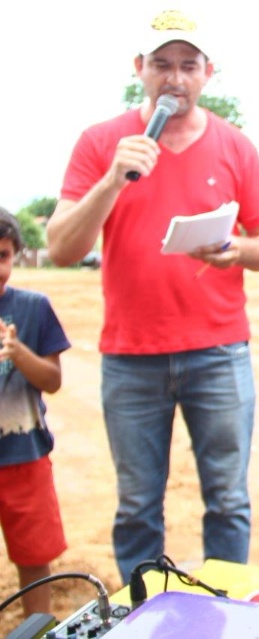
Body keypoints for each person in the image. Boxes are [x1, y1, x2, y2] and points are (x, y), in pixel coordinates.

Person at [46, 9, 259, 584]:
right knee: (136, 509)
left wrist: (235, 252)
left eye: (188, 66)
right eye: (161, 65)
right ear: (139, 70)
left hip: (218, 352)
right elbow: (60, 247)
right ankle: (143, 611)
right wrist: (112, 179)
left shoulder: (236, 146)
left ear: (208, 73)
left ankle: (224, 605)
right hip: (130, 357)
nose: (175, 78)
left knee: (228, 500)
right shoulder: (102, 142)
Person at [0, 208, 71, 616]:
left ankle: (39, 626)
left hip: (25, 454)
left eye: (3, 256)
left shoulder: (33, 308)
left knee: (33, 553)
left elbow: (53, 380)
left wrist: (19, 352)